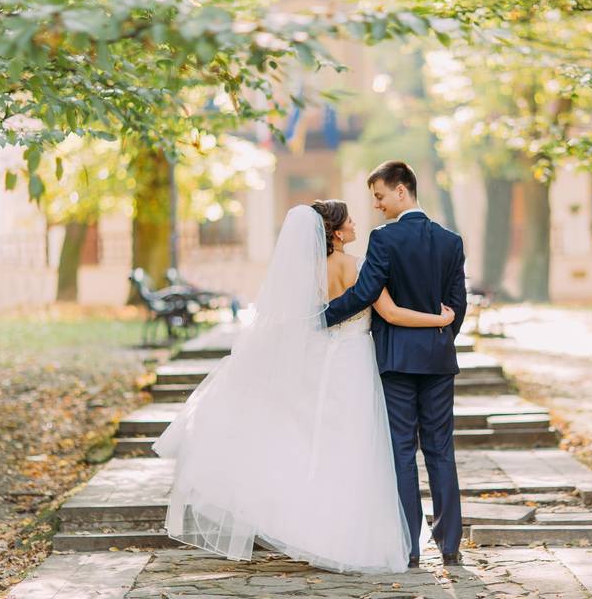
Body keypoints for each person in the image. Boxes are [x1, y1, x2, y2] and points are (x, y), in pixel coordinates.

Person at [152, 199, 456, 574]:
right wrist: (438, 319)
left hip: (326, 358)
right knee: (358, 448)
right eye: (350, 219)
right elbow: (390, 313)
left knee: (323, 446)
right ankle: (351, 533)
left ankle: (315, 527)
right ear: (338, 232)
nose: (357, 222)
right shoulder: (354, 265)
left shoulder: (309, 270)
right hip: (355, 360)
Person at [324, 160, 468, 568]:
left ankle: (409, 546)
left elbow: (365, 292)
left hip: (396, 363)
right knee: (441, 449)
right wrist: (440, 341)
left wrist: (319, 319)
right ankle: (450, 543)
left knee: (402, 451)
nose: (377, 206)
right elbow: (458, 305)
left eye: (380, 196)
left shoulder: (384, 239)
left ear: (401, 191)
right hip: (439, 360)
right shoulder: (450, 241)